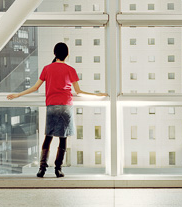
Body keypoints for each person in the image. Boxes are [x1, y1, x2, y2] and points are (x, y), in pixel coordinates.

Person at [7, 42, 107, 177]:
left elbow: (35, 87)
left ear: (55, 54)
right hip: (66, 106)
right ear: (67, 55)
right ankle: (58, 169)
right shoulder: (70, 70)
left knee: (48, 138)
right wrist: (97, 95)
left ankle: (42, 168)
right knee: (63, 138)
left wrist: (18, 94)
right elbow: (78, 92)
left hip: (52, 106)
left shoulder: (47, 68)